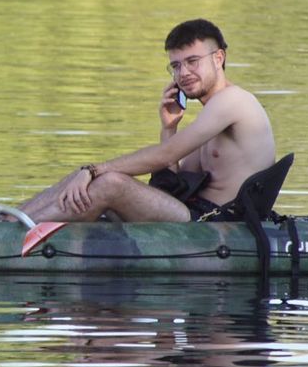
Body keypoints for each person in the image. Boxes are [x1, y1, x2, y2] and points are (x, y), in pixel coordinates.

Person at [17, 19, 274, 223]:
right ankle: (8, 220)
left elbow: (166, 155)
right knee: (85, 177)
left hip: (216, 223)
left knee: (109, 182)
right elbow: (173, 185)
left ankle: (13, 237)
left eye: (192, 61)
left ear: (218, 58)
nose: (183, 73)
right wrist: (169, 127)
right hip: (190, 211)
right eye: (176, 66)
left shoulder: (233, 100)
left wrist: (93, 170)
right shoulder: (211, 115)